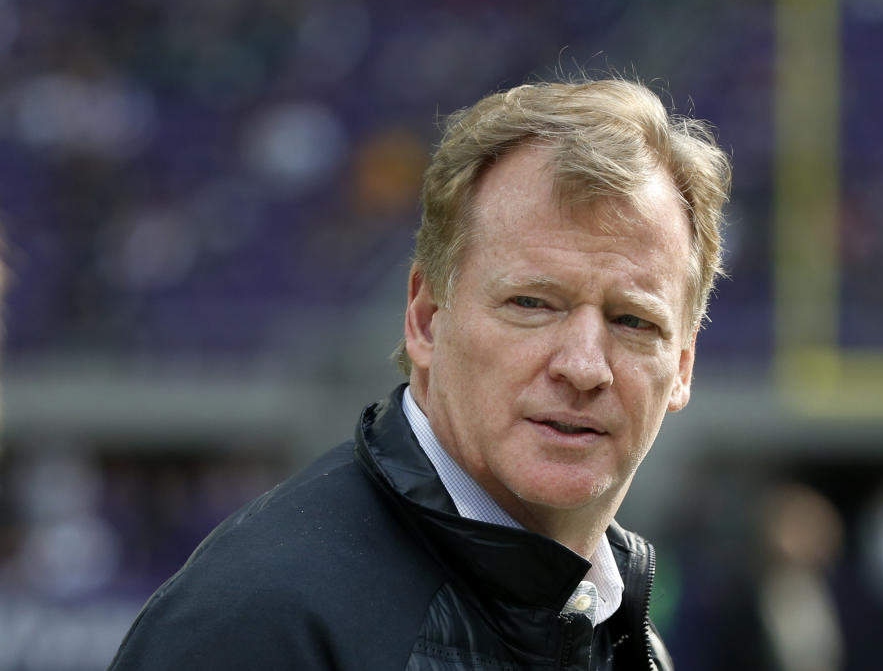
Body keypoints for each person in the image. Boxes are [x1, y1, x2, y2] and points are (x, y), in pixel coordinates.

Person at [108, 78, 730, 670]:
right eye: (533, 304)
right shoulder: (261, 625)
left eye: (632, 321)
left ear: (681, 367)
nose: (584, 367)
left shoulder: (624, 636)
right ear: (427, 319)